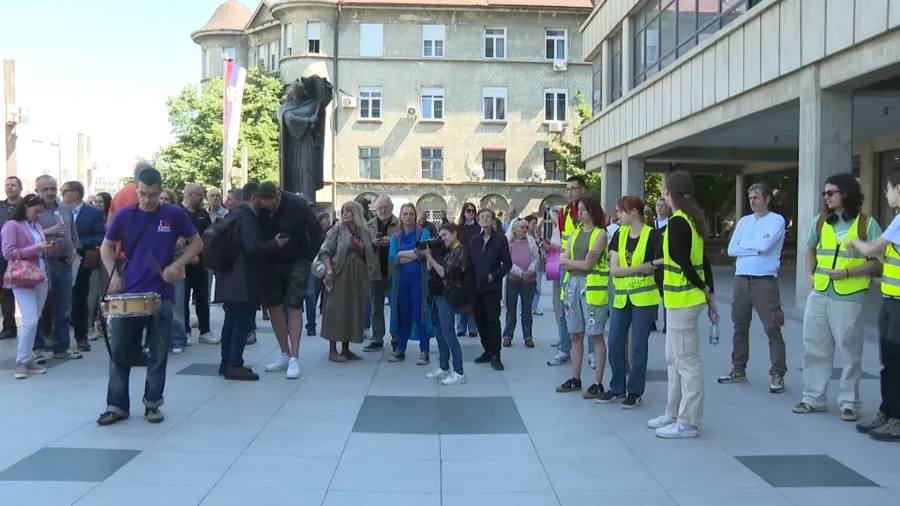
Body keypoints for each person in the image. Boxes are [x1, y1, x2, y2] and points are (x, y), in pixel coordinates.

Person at [97, 167, 201, 425]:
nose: (148, 200)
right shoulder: (125, 216)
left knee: (158, 353)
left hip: (161, 293)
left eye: (153, 195)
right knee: (120, 352)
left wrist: (179, 264)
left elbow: (197, 242)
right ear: (136, 188)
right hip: (129, 292)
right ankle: (116, 405)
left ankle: (153, 403)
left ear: (160, 190)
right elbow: (106, 247)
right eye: (143, 194)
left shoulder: (174, 214)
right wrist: (114, 275)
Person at [793, 173, 883, 422]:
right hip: (820, 292)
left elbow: (877, 262)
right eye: (824, 193)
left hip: (850, 295)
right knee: (814, 348)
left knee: (850, 352)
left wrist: (847, 273)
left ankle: (849, 403)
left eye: (831, 192)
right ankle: (813, 398)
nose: (826, 197)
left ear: (846, 193)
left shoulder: (867, 224)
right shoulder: (821, 221)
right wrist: (809, 274)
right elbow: (810, 247)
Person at [646, 171, 719, 439]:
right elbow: (704, 262)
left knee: (687, 362)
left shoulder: (678, 222)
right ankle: (674, 411)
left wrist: (703, 289)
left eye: (665, 190)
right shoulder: (690, 220)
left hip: (683, 301)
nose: (663, 195)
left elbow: (687, 265)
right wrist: (708, 293)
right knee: (674, 359)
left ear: (671, 193)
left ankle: (688, 421)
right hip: (682, 300)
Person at [216, 183, 289, 380]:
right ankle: (234, 364)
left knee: (231, 321)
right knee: (241, 322)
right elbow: (252, 247)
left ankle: (226, 362)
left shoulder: (234, 214)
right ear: (254, 198)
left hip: (230, 277)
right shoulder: (247, 218)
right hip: (243, 279)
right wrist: (276, 243)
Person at [847, 171, 900, 442]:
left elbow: (871, 250)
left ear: (899, 189)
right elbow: (886, 254)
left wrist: (855, 242)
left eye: (888, 189)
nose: (886, 194)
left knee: (894, 362)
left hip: (898, 305)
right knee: (889, 361)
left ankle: (895, 418)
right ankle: (887, 412)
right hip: (892, 301)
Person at [720, 183, 787, 393]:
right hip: (741, 279)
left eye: (756, 197)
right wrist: (755, 248)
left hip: (764, 281)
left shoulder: (777, 220)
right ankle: (738, 368)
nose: (752, 200)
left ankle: (778, 374)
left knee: (772, 328)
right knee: (739, 326)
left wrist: (746, 247)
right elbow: (731, 249)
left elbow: (766, 247)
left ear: (767, 199)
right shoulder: (744, 221)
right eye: (750, 197)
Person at [601, 196, 662, 409]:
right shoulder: (620, 233)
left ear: (634, 212)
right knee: (615, 341)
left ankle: (635, 392)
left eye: (621, 212)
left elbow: (664, 258)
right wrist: (641, 268)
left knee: (638, 346)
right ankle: (617, 388)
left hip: (644, 298)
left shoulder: (652, 234)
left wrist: (651, 264)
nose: (618, 216)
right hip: (622, 297)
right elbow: (614, 270)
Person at [259, 182, 323, 379]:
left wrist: (308, 257)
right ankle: (284, 354)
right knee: (274, 306)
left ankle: (295, 357)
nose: (269, 209)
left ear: (279, 195)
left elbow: (316, 232)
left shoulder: (297, 205)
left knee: (295, 305)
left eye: (272, 205)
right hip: (271, 260)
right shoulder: (260, 207)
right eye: (266, 206)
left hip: (297, 260)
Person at [555, 196, 609, 398]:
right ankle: (575, 379)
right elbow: (562, 259)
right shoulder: (576, 232)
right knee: (575, 334)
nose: (579, 213)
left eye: (583, 210)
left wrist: (571, 263)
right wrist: (572, 263)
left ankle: (597, 382)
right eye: (578, 209)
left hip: (592, 288)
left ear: (593, 211)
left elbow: (588, 265)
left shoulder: (600, 234)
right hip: (573, 287)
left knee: (595, 335)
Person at [2, 194, 54, 378]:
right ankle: (21, 361)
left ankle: (27, 357)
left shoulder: (37, 226)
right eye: (36, 211)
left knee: (34, 320)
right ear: (25, 208)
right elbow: (8, 252)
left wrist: (46, 248)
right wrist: (36, 248)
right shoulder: (12, 225)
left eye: (41, 211)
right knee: (30, 321)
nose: (39, 215)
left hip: (41, 276)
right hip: (23, 277)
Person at [320, 200, 379, 362]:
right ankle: (333, 350)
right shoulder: (337, 230)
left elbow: (369, 254)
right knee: (335, 310)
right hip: (339, 274)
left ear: (357, 214)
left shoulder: (364, 232)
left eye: (349, 211)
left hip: (358, 276)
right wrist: (329, 270)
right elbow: (324, 251)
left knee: (352, 310)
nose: (345, 214)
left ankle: (346, 349)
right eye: (343, 211)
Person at [34, 175, 81, 360]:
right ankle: (36, 349)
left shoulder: (64, 208)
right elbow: (26, 235)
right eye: (45, 189)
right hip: (42, 263)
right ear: (37, 190)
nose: (50, 192)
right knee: (38, 309)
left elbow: (73, 233)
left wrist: (74, 251)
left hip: (64, 263)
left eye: (53, 188)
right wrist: (48, 232)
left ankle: (61, 347)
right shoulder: (32, 210)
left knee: (63, 308)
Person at [423, 222, 468, 385]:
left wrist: (429, 256)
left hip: (448, 295)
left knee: (449, 333)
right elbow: (430, 269)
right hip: (436, 295)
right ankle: (444, 366)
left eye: (445, 235)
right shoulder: (445, 251)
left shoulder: (460, 251)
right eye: (440, 236)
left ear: (454, 233)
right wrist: (431, 253)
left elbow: (444, 272)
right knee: (439, 332)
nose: (442, 239)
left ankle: (459, 371)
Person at [63, 181, 106, 352]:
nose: (62, 194)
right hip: (60, 259)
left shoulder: (92, 213)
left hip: (82, 260)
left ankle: (81, 337)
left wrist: (78, 244)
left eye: (64, 191)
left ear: (74, 193)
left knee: (79, 299)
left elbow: (100, 236)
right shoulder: (60, 210)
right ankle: (56, 337)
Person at [388, 203, 433, 364]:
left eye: (411, 214)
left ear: (415, 216)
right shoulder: (396, 237)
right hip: (401, 282)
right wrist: (412, 254)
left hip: (419, 281)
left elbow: (423, 253)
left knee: (421, 313)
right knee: (403, 314)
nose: (408, 216)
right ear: (401, 216)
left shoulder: (424, 233)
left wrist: (402, 255)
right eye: (405, 214)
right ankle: (400, 349)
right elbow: (394, 258)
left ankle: (424, 350)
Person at [469, 208, 512, 371]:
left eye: (488, 217)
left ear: (493, 221)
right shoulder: (474, 240)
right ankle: (486, 350)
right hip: (476, 288)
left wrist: (493, 276)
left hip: (492, 288)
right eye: (482, 217)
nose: (485, 219)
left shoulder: (500, 240)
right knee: (480, 321)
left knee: (492, 321)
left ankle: (496, 355)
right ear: (478, 221)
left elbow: (507, 263)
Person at [363, 196, 400, 352]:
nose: (383, 210)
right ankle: (378, 338)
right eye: (380, 208)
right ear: (375, 209)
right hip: (375, 272)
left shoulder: (400, 225)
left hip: (394, 272)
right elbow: (362, 247)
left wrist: (391, 243)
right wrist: (373, 244)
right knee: (375, 307)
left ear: (391, 208)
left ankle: (397, 337)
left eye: (386, 207)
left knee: (396, 307)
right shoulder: (368, 226)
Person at [180, 183, 216, 344]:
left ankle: (205, 330)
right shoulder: (178, 212)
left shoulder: (203, 213)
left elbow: (208, 236)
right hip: (183, 264)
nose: (202, 198)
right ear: (189, 194)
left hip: (201, 264)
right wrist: (189, 254)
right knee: (183, 298)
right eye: (199, 194)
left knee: (202, 297)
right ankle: (185, 331)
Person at [502, 217, 539, 348]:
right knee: (511, 309)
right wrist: (520, 273)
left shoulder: (531, 241)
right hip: (513, 280)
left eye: (526, 227)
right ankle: (507, 335)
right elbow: (507, 262)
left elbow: (536, 258)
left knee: (527, 309)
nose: (525, 230)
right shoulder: (508, 242)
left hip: (529, 280)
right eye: (522, 227)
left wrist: (529, 271)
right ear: (514, 229)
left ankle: (528, 336)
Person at [0, 176, 24, 341]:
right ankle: (9, 327)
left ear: (20, 188)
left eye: (13, 185)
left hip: (24, 255)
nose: (9, 188)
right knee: (6, 292)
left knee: (26, 292)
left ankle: (40, 329)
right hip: (3, 256)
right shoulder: (1, 206)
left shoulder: (27, 206)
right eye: (7, 185)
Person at [455, 202, 481, 338]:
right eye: (468, 211)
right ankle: (460, 326)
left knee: (472, 296)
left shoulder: (479, 228)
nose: (471, 213)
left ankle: (472, 327)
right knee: (461, 296)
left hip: (474, 264)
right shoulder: (458, 228)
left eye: (473, 211)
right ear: (464, 213)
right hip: (460, 264)